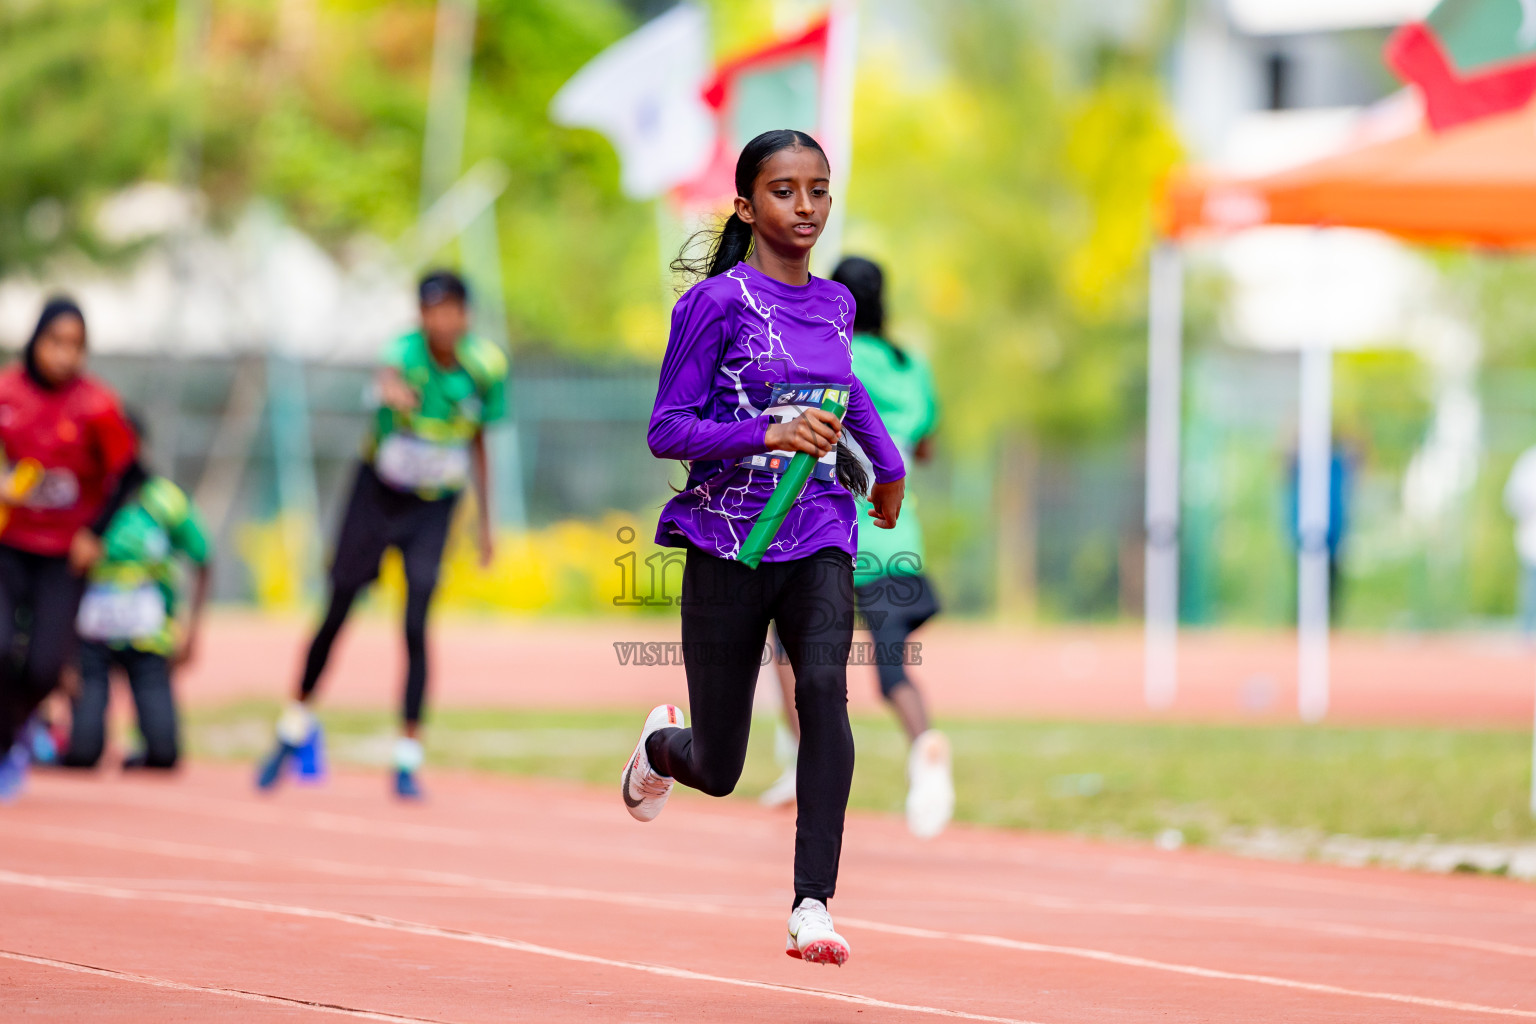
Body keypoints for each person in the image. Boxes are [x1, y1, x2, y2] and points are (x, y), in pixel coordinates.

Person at [620, 129, 906, 967]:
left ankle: (812, 903)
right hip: (727, 543)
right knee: (720, 765)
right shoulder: (712, 306)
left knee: (824, 689)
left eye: (819, 189)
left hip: (817, 528)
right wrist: (768, 430)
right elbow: (667, 430)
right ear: (747, 205)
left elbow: (845, 389)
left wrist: (885, 466)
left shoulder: (837, 305)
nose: (807, 206)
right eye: (786, 191)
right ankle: (661, 747)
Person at [256, 270, 505, 799]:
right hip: (377, 496)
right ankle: (294, 724)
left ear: (466, 315)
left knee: (416, 620)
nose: (443, 320)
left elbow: (481, 441)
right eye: (432, 310)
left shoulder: (485, 368)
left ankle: (407, 756)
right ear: (421, 316)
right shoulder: (404, 354)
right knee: (339, 605)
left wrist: (487, 522)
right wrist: (392, 392)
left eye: (453, 309)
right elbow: (386, 375)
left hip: (433, 508)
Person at [759, 256, 954, 840]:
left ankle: (801, 760)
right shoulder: (910, 365)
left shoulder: (831, 358)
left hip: (830, 532)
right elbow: (924, 448)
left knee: (789, 650)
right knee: (892, 670)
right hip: (897, 533)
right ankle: (925, 746)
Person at [0, 297, 139, 799]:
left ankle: (12, 734)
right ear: (35, 341)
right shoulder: (6, 391)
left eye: (75, 346)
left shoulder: (96, 405)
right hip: (8, 543)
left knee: (43, 666)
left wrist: (94, 533)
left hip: (63, 553)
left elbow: (128, 473)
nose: (63, 355)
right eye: (55, 343)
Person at [61, 414, 212, 770]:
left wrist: (192, 630)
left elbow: (204, 558)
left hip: (148, 638)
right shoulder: (80, 495)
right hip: (89, 637)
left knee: (164, 757)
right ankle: (52, 740)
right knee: (83, 755)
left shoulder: (163, 499)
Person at [1505, 444, 1536, 637]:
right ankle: (1527, 632)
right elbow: (1512, 498)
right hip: (1532, 536)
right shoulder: (1529, 462)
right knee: (1531, 587)